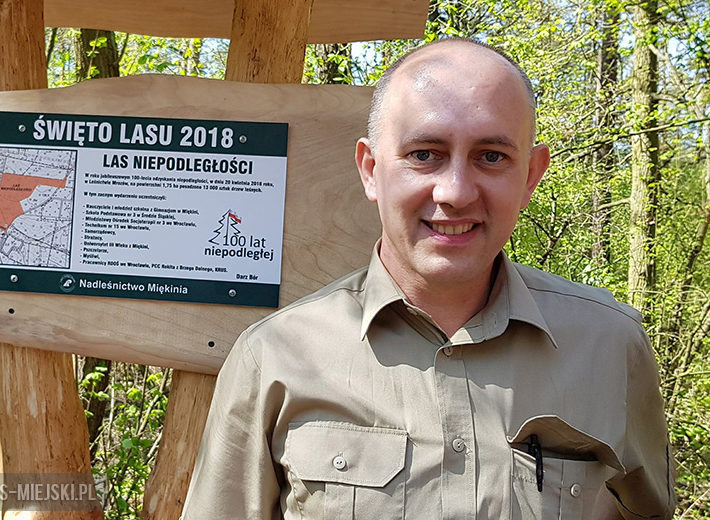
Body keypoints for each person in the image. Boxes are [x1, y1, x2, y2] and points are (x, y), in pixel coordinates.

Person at [181, 38, 676, 519]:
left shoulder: (611, 347)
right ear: (371, 170)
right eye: (425, 154)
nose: (456, 191)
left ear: (530, 176)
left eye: (491, 156)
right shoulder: (276, 356)